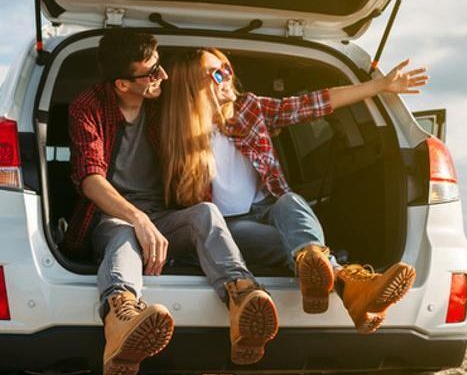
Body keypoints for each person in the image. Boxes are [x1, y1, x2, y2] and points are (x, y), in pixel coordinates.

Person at [158, 48, 428, 333]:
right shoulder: (171, 132)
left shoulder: (249, 110)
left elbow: (311, 104)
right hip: (225, 229)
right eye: (217, 72)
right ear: (190, 84)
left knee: (291, 201)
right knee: (289, 242)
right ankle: (350, 286)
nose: (228, 77)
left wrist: (379, 86)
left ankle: (319, 269)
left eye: (227, 69)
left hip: (267, 209)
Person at [64, 31, 279, 375]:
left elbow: (205, 103)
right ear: (121, 83)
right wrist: (138, 219)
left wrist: (218, 77)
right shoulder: (88, 106)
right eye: (151, 73)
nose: (162, 77)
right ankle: (122, 320)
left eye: (160, 67)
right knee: (122, 238)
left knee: (206, 214)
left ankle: (242, 299)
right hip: (112, 215)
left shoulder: (162, 103)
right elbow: (90, 179)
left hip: (165, 214)